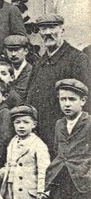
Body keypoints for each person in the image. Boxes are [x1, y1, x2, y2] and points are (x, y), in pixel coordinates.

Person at [26, 14, 90, 152]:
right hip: (40, 137)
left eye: (52, 27)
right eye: (43, 29)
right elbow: (30, 98)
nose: (48, 32)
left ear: (62, 31)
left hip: (66, 138)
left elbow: (86, 102)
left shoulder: (77, 59)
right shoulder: (39, 64)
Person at [3, 33, 33, 98]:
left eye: (17, 50)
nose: (13, 54)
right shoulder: (4, 71)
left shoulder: (32, 72)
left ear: (26, 51)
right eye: (10, 50)